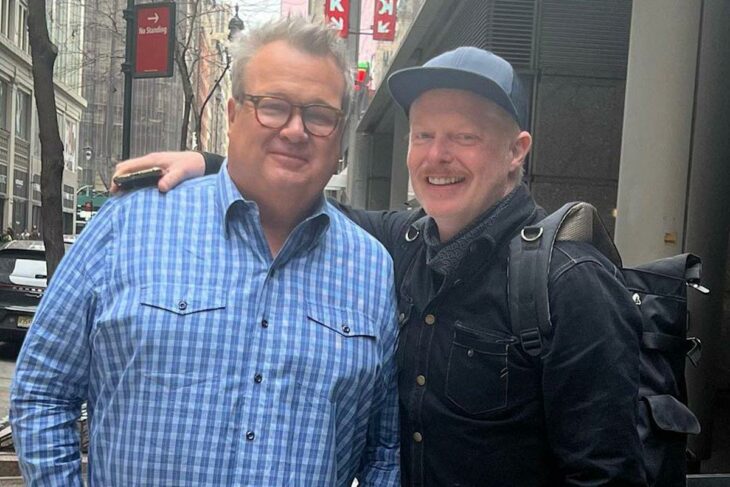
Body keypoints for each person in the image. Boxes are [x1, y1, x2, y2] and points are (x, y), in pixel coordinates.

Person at [115, 47, 646, 485]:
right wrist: (212, 164)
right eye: (423, 135)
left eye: (465, 137)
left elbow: (606, 475)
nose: (438, 156)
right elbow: (311, 201)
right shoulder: (405, 242)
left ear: (515, 151)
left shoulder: (569, 282)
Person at [10, 17, 400, 486]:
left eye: (319, 114)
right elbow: (42, 391)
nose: (296, 130)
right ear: (233, 115)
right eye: (272, 106)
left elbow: (384, 451)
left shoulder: (371, 269)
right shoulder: (131, 224)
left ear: (339, 135)